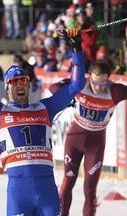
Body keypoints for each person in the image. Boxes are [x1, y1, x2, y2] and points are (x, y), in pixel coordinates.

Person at [0, 28, 85, 216]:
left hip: (47, 191)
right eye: (14, 81)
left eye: (23, 80)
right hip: (19, 192)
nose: (20, 84)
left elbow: (76, 85)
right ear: (7, 88)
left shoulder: (46, 107)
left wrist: (76, 48)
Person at [49, 60, 127, 216]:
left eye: (103, 83)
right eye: (95, 83)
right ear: (89, 77)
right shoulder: (81, 84)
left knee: (90, 188)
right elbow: (53, 87)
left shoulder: (115, 91)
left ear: (109, 79)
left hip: (95, 144)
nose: (98, 87)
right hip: (74, 140)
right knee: (68, 181)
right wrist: (68, 97)